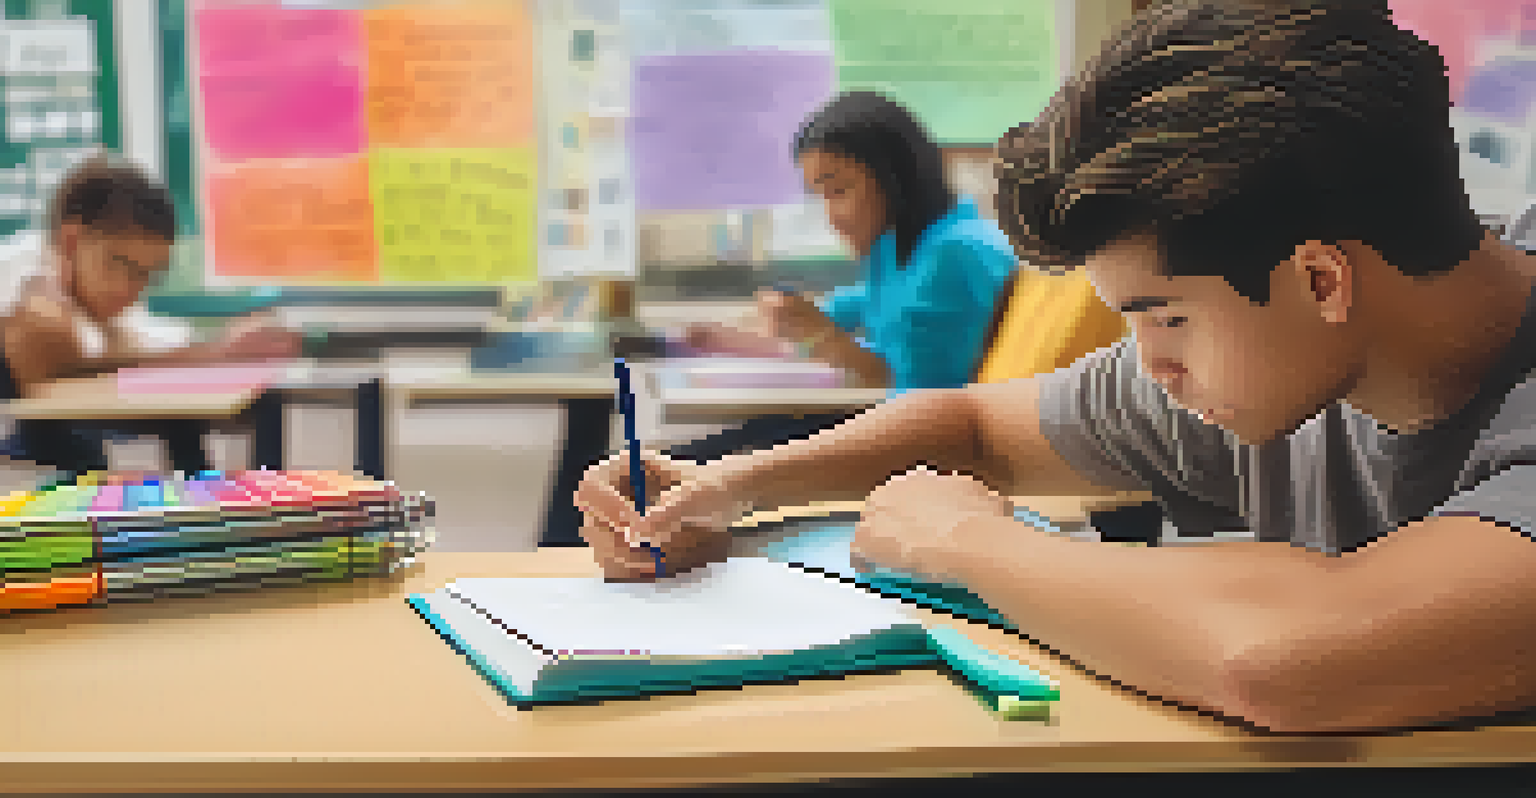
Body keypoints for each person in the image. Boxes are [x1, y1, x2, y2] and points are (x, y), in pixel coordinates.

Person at [577, 0, 1536, 734]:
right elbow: (978, 426)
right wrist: (727, 487)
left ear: (1322, 280)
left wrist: (969, 543)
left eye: (1165, 318)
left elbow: (1293, 661)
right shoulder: (1272, 346)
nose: (1147, 363)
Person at [665, 90, 1017, 463]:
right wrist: (765, 331)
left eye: (839, 190)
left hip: (934, 448)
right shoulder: (899, 244)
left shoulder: (955, 255)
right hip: (900, 423)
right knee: (689, 458)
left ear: (896, 176)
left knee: (700, 464)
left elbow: (922, 401)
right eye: (821, 196)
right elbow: (852, 311)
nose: (831, 216)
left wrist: (824, 338)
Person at [0, 153, 299, 475]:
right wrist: (215, 352)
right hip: (31, 450)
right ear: (70, 242)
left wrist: (218, 351)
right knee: (75, 448)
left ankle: (211, 506)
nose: (131, 289)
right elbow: (53, 367)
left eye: (147, 274)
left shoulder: (91, 294)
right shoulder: (26, 286)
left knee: (192, 418)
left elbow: (126, 354)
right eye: (122, 265)